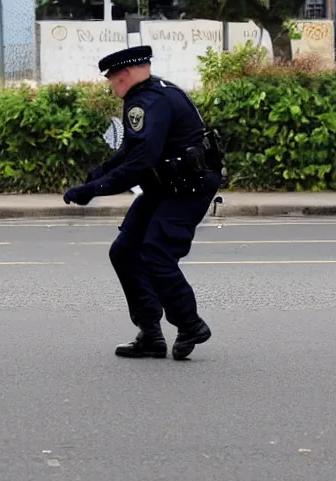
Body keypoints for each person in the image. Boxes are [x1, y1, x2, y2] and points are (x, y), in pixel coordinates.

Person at [63, 45, 224, 361]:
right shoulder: (154, 94)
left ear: (123, 75)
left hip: (187, 189)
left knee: (156, 253)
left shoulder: (147, 102)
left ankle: (190, 324)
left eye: (112, 79)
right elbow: (131, 150)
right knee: (124, 251)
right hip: (167, 186)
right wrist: (99, 174)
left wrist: (92, 190)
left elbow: (140, 162)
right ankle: (150, 334)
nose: (112, 86)